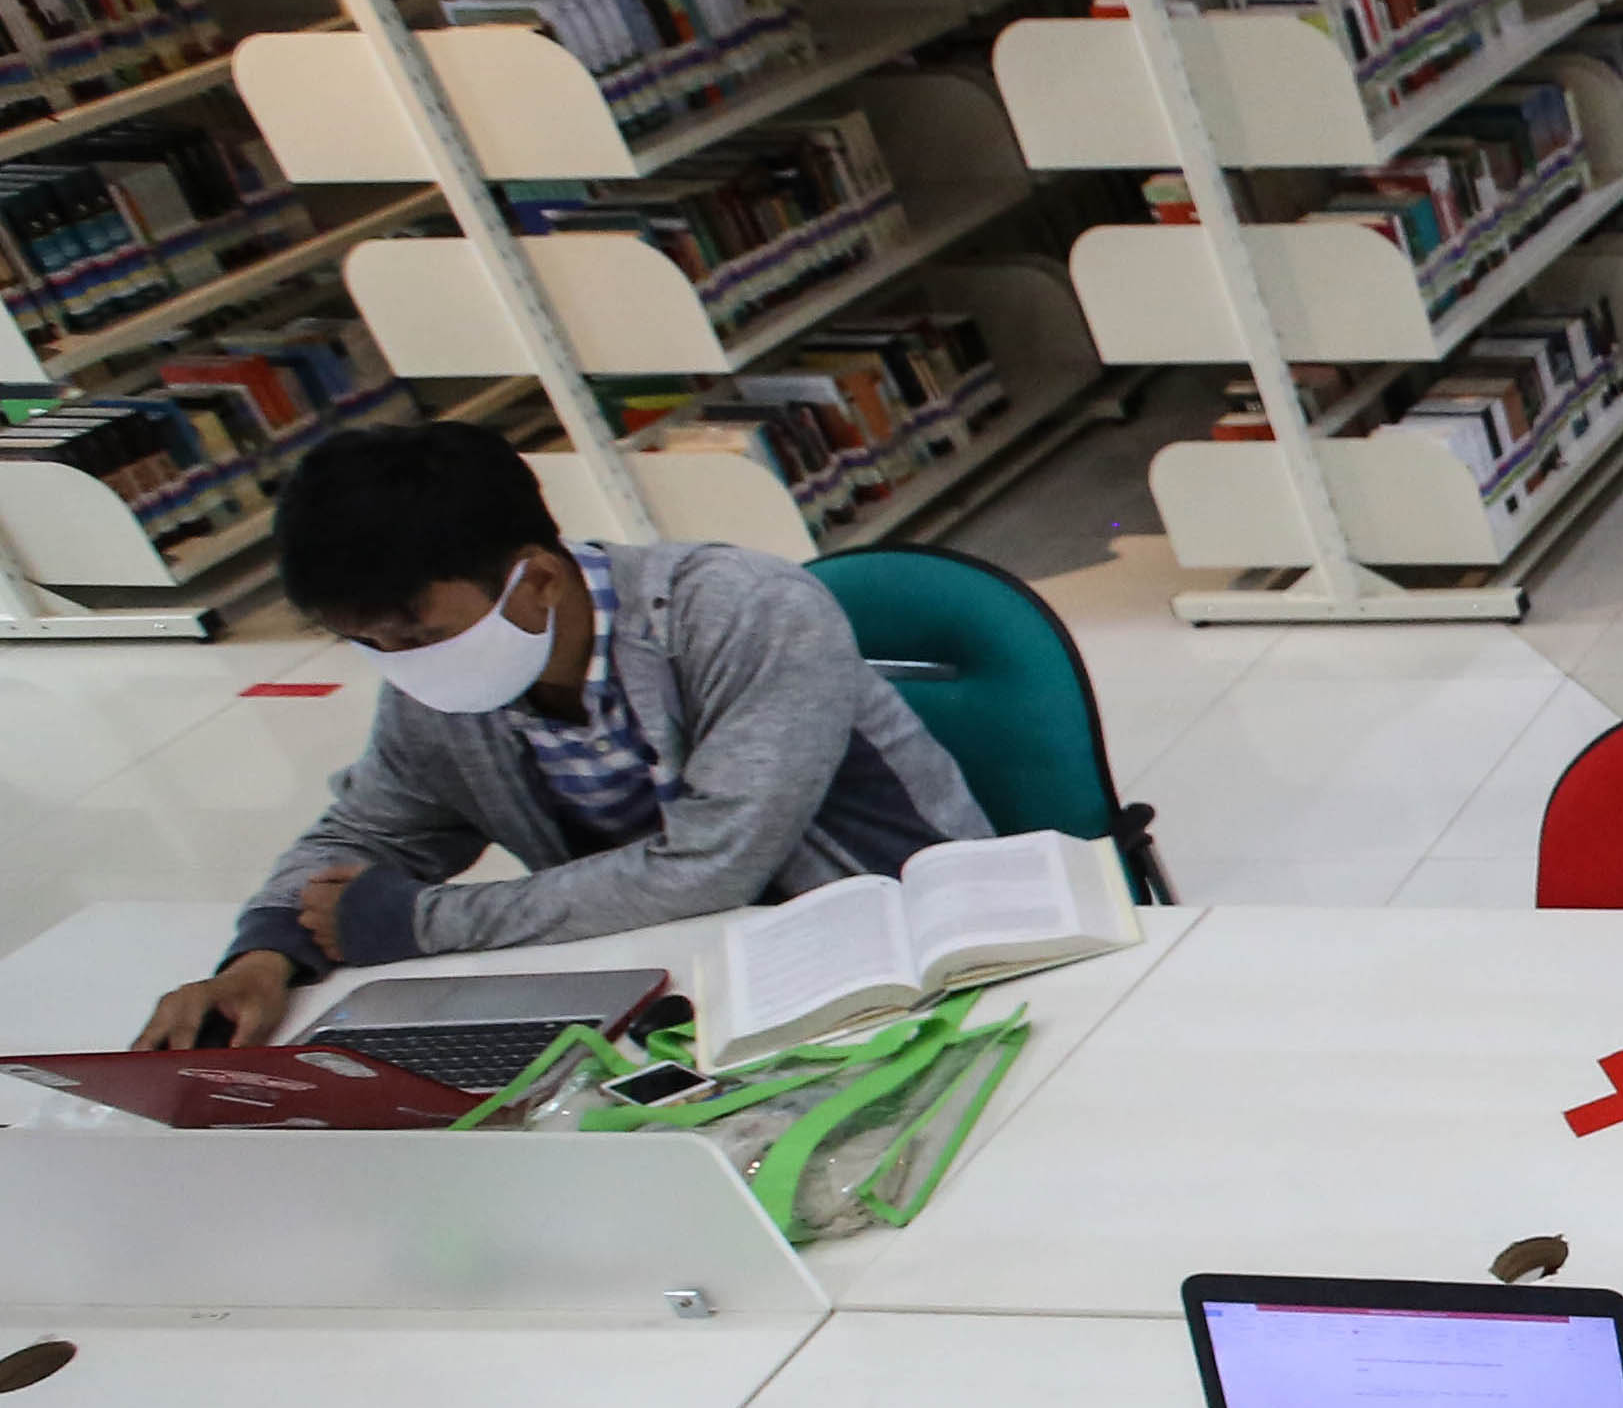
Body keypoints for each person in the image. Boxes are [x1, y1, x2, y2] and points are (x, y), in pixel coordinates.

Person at [135, 420, 986, 1052]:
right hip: (672, 981)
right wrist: (265, 953)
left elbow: (712, 866)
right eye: (371, 646)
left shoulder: (742, 610)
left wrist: (420, 922)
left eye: (419, 636)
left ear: (537, 578)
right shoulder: (441, 677)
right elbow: (369, 829)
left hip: (893, 947)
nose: (405, 668)